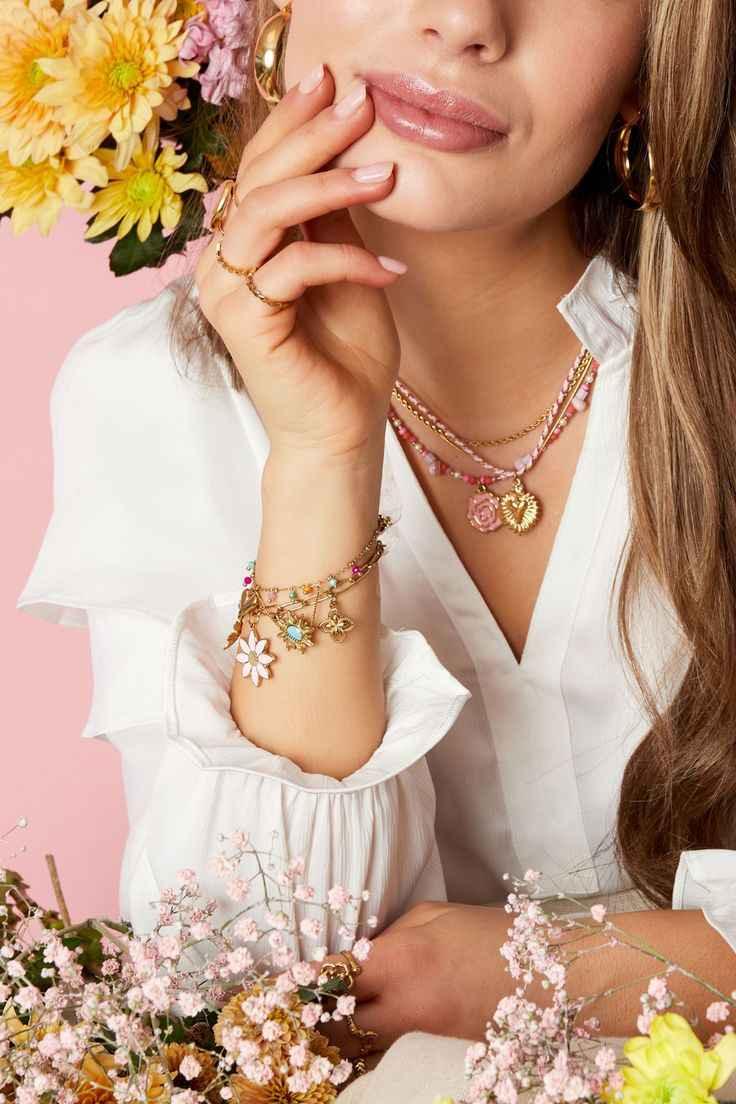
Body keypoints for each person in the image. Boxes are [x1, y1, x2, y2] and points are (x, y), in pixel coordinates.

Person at [16, 0, 736, 1065]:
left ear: (651, 54)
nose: (464, 21)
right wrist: (321, 461)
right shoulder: (147, 395)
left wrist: (513, 969)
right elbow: (253, 998)